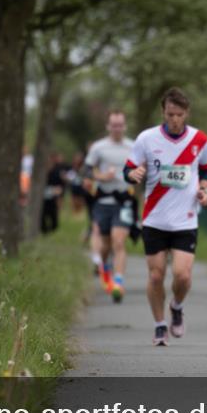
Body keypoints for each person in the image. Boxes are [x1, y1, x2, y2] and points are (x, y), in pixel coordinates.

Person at [124, 88, 207, 346]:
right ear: (163, 112)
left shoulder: (200, 139)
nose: (174, 119)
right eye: (170, 114)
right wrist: (132, 175)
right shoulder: (146, 139)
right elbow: (128, 168)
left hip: (185, 219)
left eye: (179, 114)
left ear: (187, 113)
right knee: (155, 276)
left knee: (183, 276)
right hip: (154, 218)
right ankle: (160, 325)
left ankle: (177, 306)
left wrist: (204, 190)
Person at [84, 110, 135, 302]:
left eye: (120, 125)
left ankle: (118, 283)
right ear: (108, 126)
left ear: (125, 126)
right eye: (113, 125)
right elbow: (86, 170)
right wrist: (101, 177)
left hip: (124, 201)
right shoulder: (99, 147)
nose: (117, 129)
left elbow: (142, 168)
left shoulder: (133, 146)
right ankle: (104, 269)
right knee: (105, 245)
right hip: (103, 200)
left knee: (119, 241)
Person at [41, 152, 70, 234]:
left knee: (53, 213)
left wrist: (59, 189)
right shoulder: (42, 172)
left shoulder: (57, 171)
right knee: (43, 213)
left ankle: (53, 230)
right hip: (44, 195)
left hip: (53, 195)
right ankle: (44, 230)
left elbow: (61, 184)